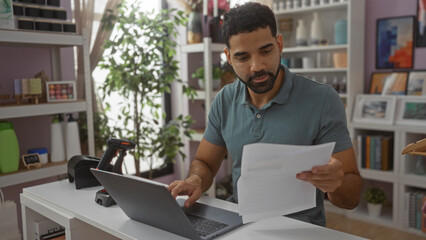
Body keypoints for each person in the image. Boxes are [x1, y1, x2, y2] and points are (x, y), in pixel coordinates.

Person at [168, 2, 362, 226]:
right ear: (229, 58)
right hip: (239, 222)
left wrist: (336, 183)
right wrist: (196, 179)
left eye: (266, 51)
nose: (256, 66)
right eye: (242, 57)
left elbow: (352, 197)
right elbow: (205, 162)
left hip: (300, 228)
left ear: (279, 44)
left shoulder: (323, 100)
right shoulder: (224, 100)